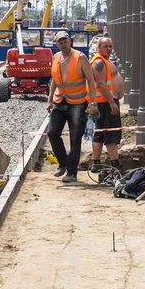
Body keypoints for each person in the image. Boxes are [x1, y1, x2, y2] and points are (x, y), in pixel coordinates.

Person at [46, 31, 98, 184]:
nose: (63, 44)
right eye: (60, 42)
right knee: (52, 133)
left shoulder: (80, 57)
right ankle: (63, 163)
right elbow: (54, 80)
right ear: (56, 44)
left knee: (75, 138)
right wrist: (49, 100)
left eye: (65, 41)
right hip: (60, 101)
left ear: (70, 41)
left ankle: (72, 172)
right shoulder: (56, 58)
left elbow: (90, 80)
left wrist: (93, 103)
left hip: (77, 103)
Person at [90, 35, 123, 171]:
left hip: (103, 102)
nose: (109, 49)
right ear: (99, 48)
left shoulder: (103, 60)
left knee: (101, 132)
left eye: (110, 46)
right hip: (106, 102)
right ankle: (115, 164)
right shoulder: (99, 63)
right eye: (106, 46)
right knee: (111, 134)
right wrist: (112, 103)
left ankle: (96, 164)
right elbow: (102, 85)